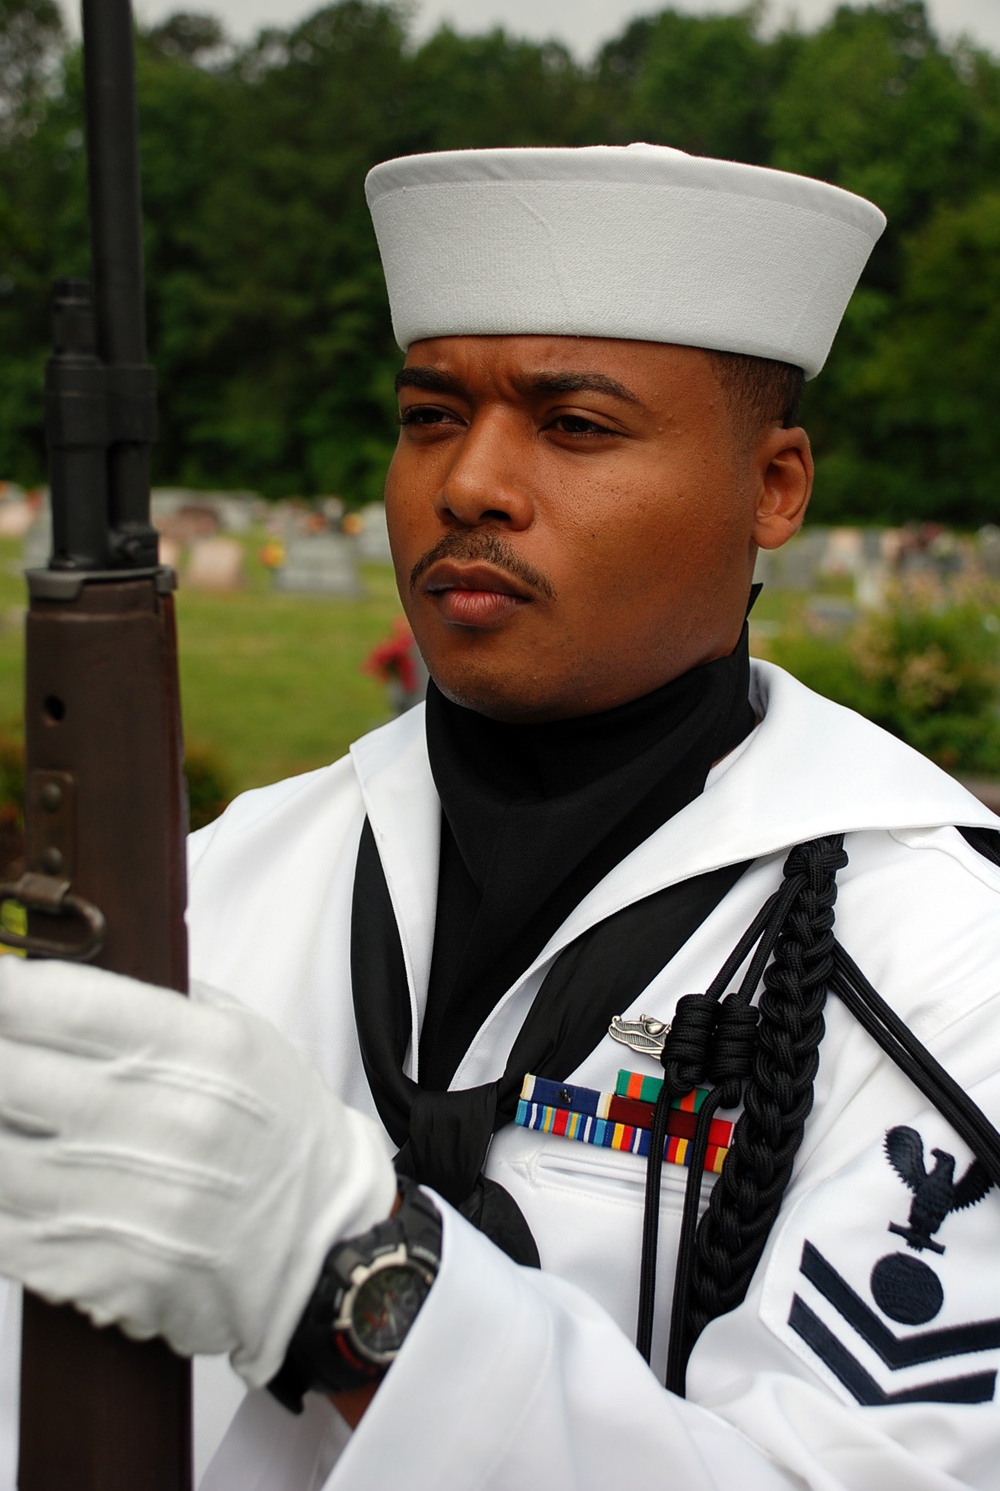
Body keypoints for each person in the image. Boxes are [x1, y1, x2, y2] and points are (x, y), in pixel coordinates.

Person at [0, 143, 998, 1491]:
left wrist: (353, 1289)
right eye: (428, 415)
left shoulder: (945, 959)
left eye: (575, 425)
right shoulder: (226, 882)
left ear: (775, 488)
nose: (469, 482)